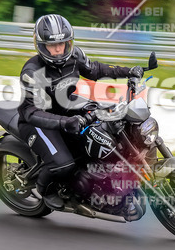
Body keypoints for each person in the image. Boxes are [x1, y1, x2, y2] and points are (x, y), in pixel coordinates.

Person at [19, 14, 144, 210]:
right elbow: (30, 112)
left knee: (106, 129)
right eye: (52, 45)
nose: (59, 49)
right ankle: (45, 190)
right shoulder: (32, 72)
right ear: (41, 45)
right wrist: (64, 122)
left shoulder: (74, 55)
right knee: (63, 165)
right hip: (37, 122)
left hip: (65, 108)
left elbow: (95, 69)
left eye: (62, 43)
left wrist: (128, 71)